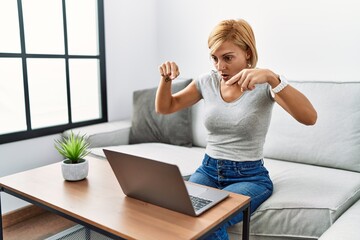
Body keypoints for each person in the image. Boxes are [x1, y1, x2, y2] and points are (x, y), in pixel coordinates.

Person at [155, 19, 317, 240]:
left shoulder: (265, 84)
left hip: (250, 177)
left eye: (228, 58)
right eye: (215, 58)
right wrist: (165, 80)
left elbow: (309, 117)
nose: (220, 67)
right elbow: (166, 107)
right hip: (207, 170)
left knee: (209, 220)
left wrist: (272, 77)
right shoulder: (207, 82)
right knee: (183, 215)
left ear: (248, 53)